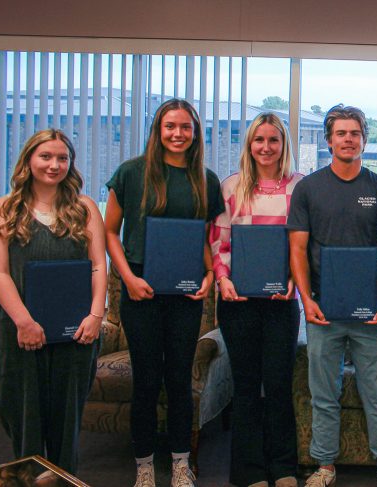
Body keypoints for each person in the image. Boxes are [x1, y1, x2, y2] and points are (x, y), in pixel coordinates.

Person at [104, 99, 225, 487]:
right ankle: (143, 465)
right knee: (146, 379)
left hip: (186, 292)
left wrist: (209, 275)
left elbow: (206, 237)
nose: (177, 134)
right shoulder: (131, 173)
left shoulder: (204, 179)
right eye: (170, 126)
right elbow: (110, 232)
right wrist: (128, 279)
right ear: (158, 130)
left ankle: (179, 462)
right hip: (140, 289)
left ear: (195, 132)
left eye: (185, 127)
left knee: (178, 379)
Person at [289, 104, 377, 487]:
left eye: (355, 133)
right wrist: (307, 301)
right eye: (341, 133)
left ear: (364, 140)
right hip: (323, 310)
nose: (348, 139)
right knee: (324, 393)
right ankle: (324, 466)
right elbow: (298, 251)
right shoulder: (308, 189)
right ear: (329, 140)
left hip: (369, 310)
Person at [0, 129, 106, 474]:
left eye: (62, 158)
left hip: (76, 336)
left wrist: (95, 316)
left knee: (66, 426)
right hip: (20, 336)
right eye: (46, 156)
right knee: (23, 423)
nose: (54, 165)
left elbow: (99, 265)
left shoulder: (84, 208)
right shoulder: (3, 209)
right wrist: (25, 323)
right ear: (28, 159)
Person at [208, 113, 302, 487]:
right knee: (246, 385)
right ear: (249, 145)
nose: (266, 147)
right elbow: (219, 239)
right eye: (258, 140)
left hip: (282, 301)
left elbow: (301, 244)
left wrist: (296, 278)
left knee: (278, 384)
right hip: (238, 301)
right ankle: (248, 471)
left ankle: (283, 468)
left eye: (273, 140)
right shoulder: (231, 186)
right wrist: (222, 278)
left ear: (284, 145)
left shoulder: (300, 187)